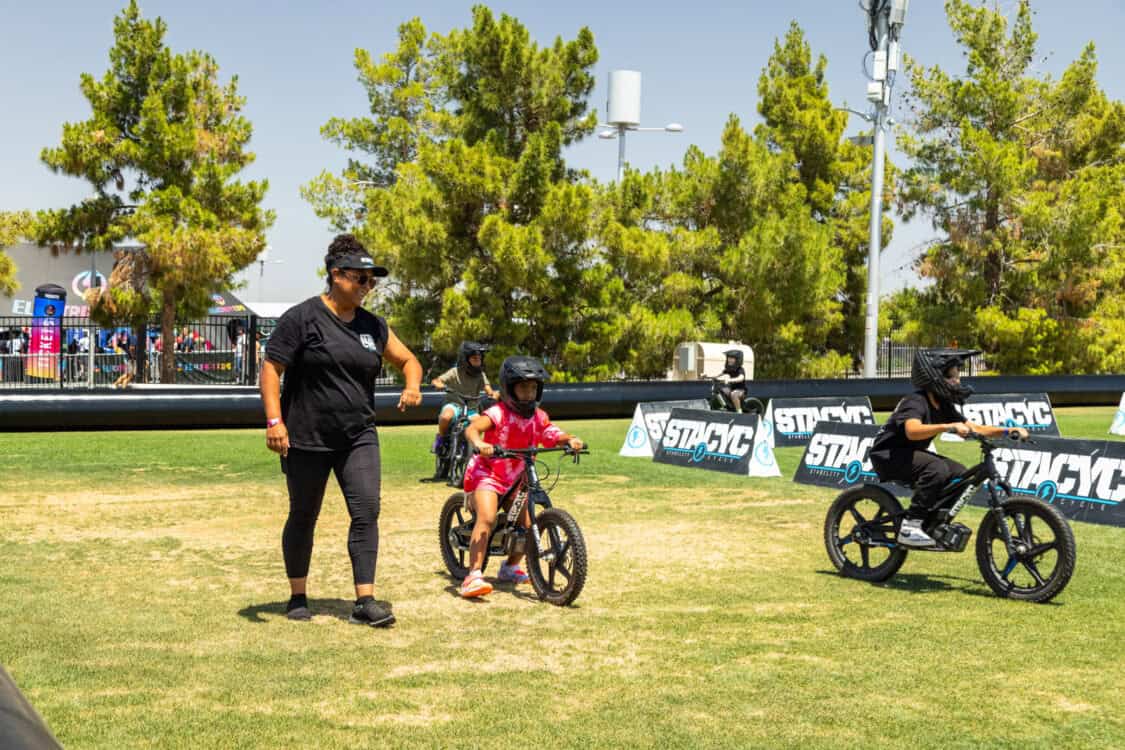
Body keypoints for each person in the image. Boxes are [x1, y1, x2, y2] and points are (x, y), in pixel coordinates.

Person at [259, 233, 423, 627]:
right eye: (361, 278)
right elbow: (271, 369)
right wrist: (274, 421)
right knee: (303, 514)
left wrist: (413, 384)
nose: (368, 287)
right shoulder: (302, 318)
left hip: (358, 436)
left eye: (372, 280)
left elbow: (408, 360)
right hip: (305, 436)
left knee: (367, 511)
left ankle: (365, 602)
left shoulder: (373, 326)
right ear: (337, 275)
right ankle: (298, 595)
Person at [869, 348, 1028, 548]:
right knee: (936, 469)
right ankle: (910, 526)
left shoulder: (942, 404)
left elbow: (975, 427)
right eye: (952, 376)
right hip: (888, 456)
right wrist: (948, 426)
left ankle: (933, 522)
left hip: (909, 455)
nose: (957, 381)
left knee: (961, 474)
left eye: (957, 376)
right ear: (936, 377)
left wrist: (1007, 431)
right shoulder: (915, 400)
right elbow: (912, 430)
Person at [459, 355, 584, 598]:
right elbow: (472, 428)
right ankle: (472, 575)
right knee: (487, 517)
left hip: (517, 477)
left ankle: (510, 567)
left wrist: (569, 439)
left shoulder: (538, 416)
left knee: (529, 525)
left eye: (533, 388)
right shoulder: (498, 413)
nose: (528, 393)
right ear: (509, 388)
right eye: (523, 387)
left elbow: (551, 432)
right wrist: (479, 443)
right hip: (488, 473)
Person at [430, 341, 499, 455]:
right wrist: (438, 384)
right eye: (474, 359)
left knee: (480, 424)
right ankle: (441, 438)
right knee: (446, 417)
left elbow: (488, 388)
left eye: (479, 358)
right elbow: (438, 380)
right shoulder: (455, 372)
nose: (478, 361)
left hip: (472, 409)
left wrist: (493, 394)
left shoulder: (480, 374)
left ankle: (475, 448)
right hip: (454, 405)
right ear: (465, 360)